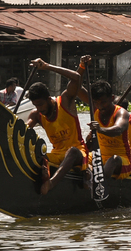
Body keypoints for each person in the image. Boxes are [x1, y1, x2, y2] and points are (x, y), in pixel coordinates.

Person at [26, 56, 89, 195]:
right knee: (38, 156)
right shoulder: (36, 114)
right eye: (36, 105)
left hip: (79, 152)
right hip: (57, 155)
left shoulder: (65, 101)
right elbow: (23, 130)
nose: (39, 109)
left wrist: (47, 66)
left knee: (72, 151)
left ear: (49, 99)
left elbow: (77, 78)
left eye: (41, 104)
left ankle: (51, 183)